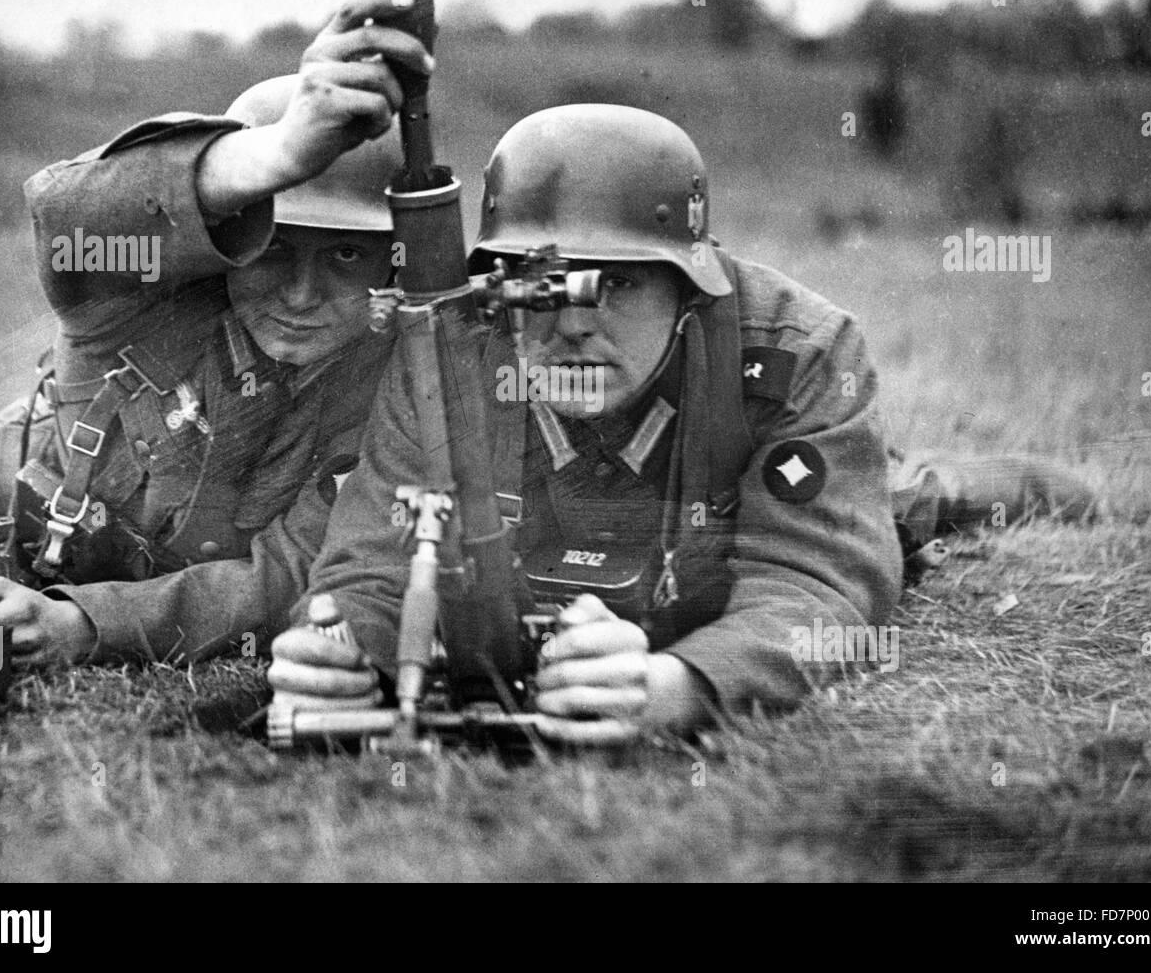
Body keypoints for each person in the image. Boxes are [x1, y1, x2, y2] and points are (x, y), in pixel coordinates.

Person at [266, 104, 1095, 736]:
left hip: (750, 499)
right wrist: (343, 648)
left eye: (617, 285)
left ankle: (1015, 483)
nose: (574, 323)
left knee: (901, 504)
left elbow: (816, 583)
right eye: (541, 284)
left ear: (690, 289)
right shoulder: (447, 354)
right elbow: (371, 559)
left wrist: (682, 685)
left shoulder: (798, 352)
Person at [0, 0, 432, 667]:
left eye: (347, 254)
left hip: (104, 563)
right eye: (273, 249)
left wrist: (86, 624)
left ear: (393, 261)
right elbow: (68, 220)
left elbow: (288, 574)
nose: (302, 294)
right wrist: (270, 158)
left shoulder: (391, 383)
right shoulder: (141, 300)